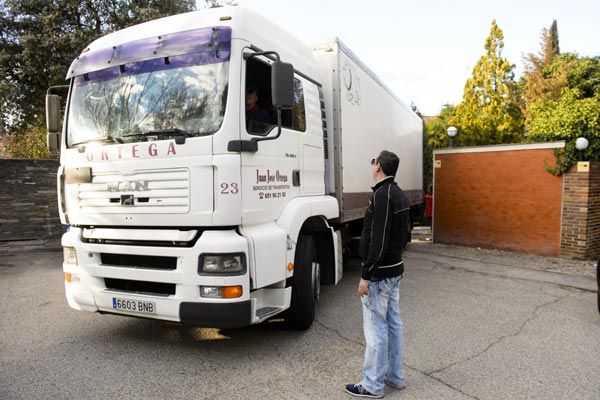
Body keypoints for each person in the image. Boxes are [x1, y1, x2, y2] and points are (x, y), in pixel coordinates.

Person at [345, 150, 409, 399]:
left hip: (380, 275)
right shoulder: (399, 194)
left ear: (378, 166)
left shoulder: (383, 195)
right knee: (393, 325)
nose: (372, 165)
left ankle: (372, 385)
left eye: (374, 162)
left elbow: (378, 240)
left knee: (376, 330)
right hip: (395, 271)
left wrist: (366, 275)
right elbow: (401, 236)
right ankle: (395, 377)